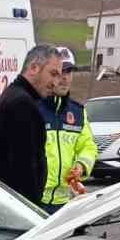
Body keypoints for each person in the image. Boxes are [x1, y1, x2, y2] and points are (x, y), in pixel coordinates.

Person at [0, 43, 64, 203]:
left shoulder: (13, 96)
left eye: (58, 76)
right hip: (15, 209)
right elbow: (24, 169)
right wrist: (32, 211)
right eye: (53, 74)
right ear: (34, 68)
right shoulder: (21, 105)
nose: (55, 83)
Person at [39, 47, 98, 212]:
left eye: (69, 72)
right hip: (34, 201)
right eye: (59, 72)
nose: (65, 78)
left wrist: (80, 166)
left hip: (65, 203)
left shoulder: (78, 112)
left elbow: (88, 146)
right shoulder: (32, 108)